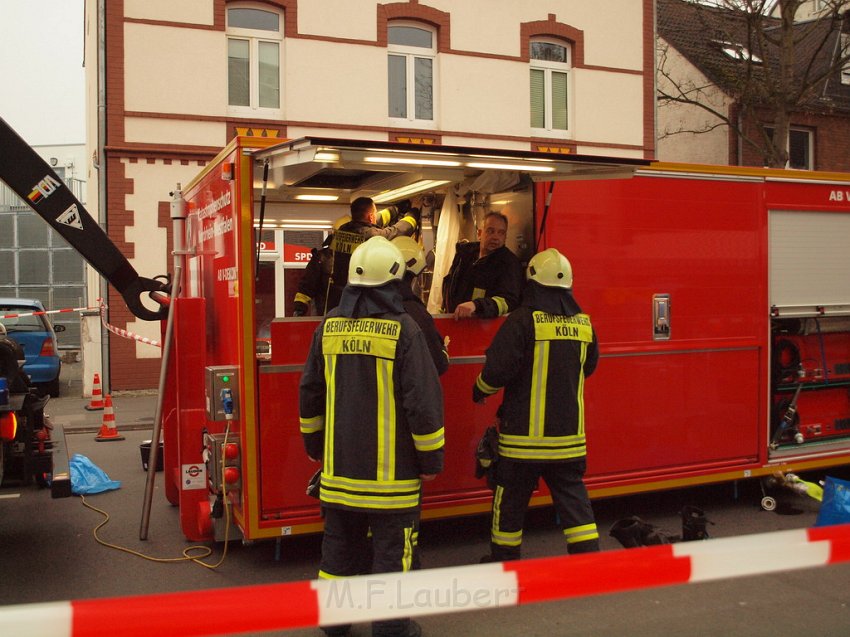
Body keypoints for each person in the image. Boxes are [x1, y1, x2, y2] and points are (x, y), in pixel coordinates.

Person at [299, 236, 444, 637]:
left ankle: (335, 622)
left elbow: (310, 393)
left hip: (339, 472)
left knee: (338, 552)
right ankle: (392, 627)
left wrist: (315, 447)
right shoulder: (405, 331)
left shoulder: (328, 327)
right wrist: (431, 462)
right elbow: (423, 406)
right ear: (397, 280)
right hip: (391, 481)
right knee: (391, 553)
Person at [472, 247, 600, 562]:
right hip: (568, 440)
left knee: (510, 500)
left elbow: (498, 369)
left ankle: (505, 559)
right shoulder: (584, 324)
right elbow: (590, 366)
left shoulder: (522, 321)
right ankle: (589, 560)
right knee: (573, 499)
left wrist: (479, 389)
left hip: (522, 443)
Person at [325, 197, 419, 312]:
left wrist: (396, 209)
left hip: (341, 293)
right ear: (370, 216)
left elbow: (372, 221)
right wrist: (413, 215)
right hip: (359, 295)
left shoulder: (342, 230)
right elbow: (398, 231)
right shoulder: (372, 236)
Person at [441, 211, 524, 319]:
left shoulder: (509, 264)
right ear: (480, 233)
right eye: (491, 231)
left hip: (485, 330)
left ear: (505, 237)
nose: (496, 237)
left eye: (501, 233)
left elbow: (509, 301)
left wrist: (476, 305)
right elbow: (450, 289)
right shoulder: (463, 256)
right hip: (455, 323)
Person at [392, 236, 449, 376]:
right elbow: (438, 364)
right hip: (406, 395)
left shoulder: (367, 306)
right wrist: (444, 350)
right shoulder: (415, 313)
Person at [292, 215, 350, 317]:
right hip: (325, 319)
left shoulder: (362, 257)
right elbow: (307, 286)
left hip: (354, 320)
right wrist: (299, 309)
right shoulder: (321, 258)